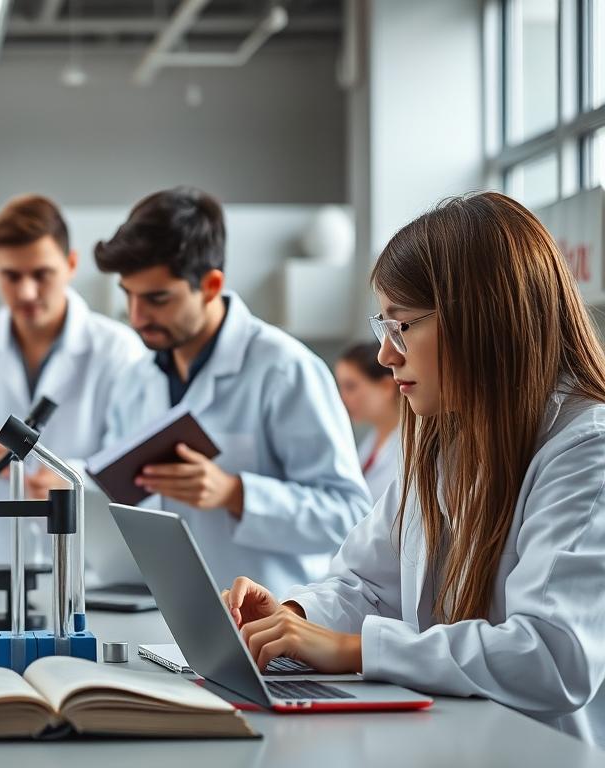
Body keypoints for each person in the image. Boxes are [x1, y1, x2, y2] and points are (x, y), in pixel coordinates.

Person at [224, 192, 605, 747]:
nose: (385, 355)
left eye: (401, 326)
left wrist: (355, 650)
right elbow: (364, 586)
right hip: (445, 739)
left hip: (533, 750)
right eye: (383, 326)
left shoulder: (584, 448)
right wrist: (291, 616)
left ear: (483, 321)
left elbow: (553, 657)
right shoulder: (444, 436)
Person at [97, 186, 370, 594]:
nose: (137, 317)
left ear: (210, 285)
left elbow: (350, 516)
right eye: (129, 296)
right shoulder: (135, 380)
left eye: (157, 298)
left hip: (271, 627)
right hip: (163, 615)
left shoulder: (285, 370)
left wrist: (236, 493)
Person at [0, 194, 144, 555]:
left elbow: (134, 464)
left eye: (42, 275)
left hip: (88, 561)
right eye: (11, 276)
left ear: (71, 264)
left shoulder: (118, 348)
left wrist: (71, 476)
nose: (26, 292)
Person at [334, 340, 400, 502]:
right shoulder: (372, 440)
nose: (342, 398)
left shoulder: (408, 447)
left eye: (350, 387)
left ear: (386, 387)